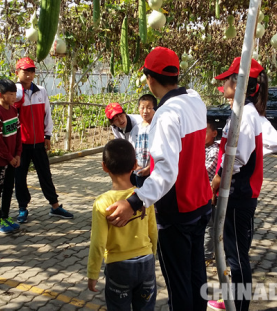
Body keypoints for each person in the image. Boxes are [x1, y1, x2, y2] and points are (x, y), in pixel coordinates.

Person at [106, 47, 213, 311]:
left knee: (179, 284)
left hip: (177, 211)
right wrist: (150, 168)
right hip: (201, 203)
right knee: (196, 272)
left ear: (149, 79)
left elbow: (167, 172)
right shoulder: (195, 101)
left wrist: (134, 200)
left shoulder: (165, 115)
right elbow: (180, 155)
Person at [208, 57, 268, 311]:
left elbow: (237, 158)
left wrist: (217, 181)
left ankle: (239, 306)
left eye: (228, 80)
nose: (224, 85)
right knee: (235, 253)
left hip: (238, 194)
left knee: (236, 257)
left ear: (241, 83)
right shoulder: (246, 113)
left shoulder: (245, 116)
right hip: (241, 193)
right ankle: (232, 301)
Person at [87, 139, 157, 310]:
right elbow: (153, 231)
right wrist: (151, 255)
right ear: (135, 165)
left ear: (104, 167)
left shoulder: (102, 203)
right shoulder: (144, 196)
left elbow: (98, 242)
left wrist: (93, 274)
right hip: (146, 263)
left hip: (119, 267)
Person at [14, 57, 73, 223]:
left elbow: (47, 114)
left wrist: (47, 135)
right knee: (20, 177)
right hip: (21, 145)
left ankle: (55, 206)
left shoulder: (41, 91)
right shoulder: (15, 94)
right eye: (25, 71)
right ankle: (22, 208)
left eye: (31, 71)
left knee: (45, 175)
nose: (29, 74)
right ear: (17, 72)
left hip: (39, 142)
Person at [0, 79, 24, 233]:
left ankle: (5, 216)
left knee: (9, 188)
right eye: (10, 94)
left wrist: (17, 154)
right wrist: (9, 157)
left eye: (15, 93)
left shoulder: (13, 110)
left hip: (12, 159)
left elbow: (17, 134)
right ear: (0, 95)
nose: (14, 96)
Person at [216, 86, 277, 156]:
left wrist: (250, 153)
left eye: (231, 97)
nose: (228, 99)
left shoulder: (249, 114)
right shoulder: (242, 113)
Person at [129, 94, 157, 187]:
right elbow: (131, 149)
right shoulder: (135, 129)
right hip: (137, 171)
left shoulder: (157, 127)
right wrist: (134, 165)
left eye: (149, 108)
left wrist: (149, 168)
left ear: (155, 109)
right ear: (138, 108)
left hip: (153, 171)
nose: (145, 111)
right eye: (142, 108)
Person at [204, 120, 219, 266]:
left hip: (209, 193)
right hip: (200, 193)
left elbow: (205, 171)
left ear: (214, 134)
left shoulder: (215, 150)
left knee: (209, 224)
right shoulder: (201, 148)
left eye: (205, 131)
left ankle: (208, 255)